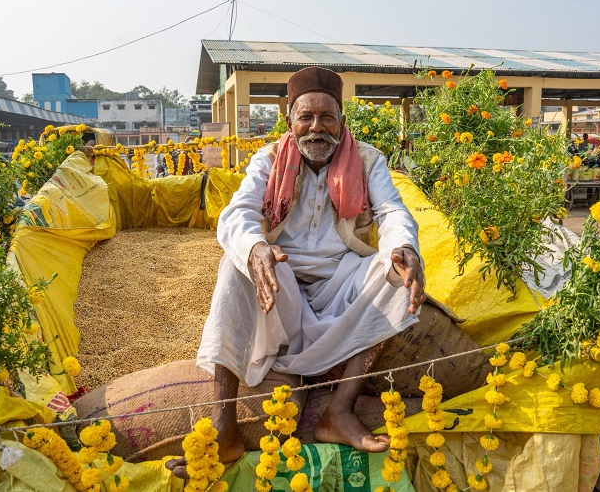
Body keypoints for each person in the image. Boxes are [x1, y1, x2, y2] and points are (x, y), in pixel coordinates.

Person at [166, 67, 427, 476]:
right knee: (235, 265)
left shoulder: (369, 160)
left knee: (397, 271)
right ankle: (224, 426)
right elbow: (238, 213)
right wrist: (256, 250)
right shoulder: (268, 158)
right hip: (281, 282)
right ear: (290, 121)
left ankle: (338, 412)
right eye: (306, 117)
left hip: (342, 281)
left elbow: (393, 209)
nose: (316, 127)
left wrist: (403, 247)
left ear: (342, 122)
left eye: (327, 117)